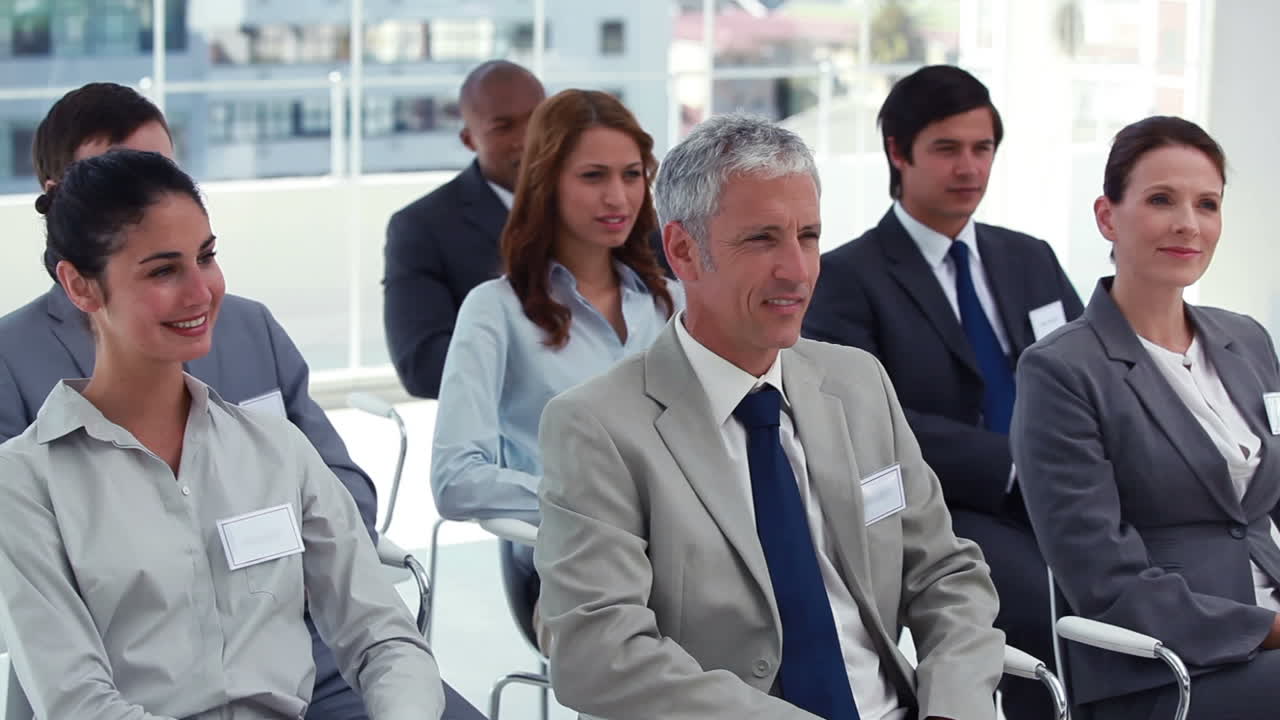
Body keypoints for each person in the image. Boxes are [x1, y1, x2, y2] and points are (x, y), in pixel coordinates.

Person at [0, 82, 483, 720]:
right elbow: (77, 701)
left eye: (207, 257)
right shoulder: (26, 479)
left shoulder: (273, 447)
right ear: (80, 286)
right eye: (163, 270)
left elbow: (386, 638)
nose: (201, 293)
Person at [533, 113, 1003, 720]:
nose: (797, 270)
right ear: (683, 251)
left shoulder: (857, 384)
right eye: (762, 239)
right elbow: (598, 654)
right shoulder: (597, 426)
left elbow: (945, 574)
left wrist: (954, 708)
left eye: (808, 236)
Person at [802, 65, 1081, 718]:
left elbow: (1083, 372)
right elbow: (866, 422)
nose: (970, 168)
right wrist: (1012, 466)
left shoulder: (1029, 257)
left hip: (1065, 488)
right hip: (948, 504)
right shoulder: (847, 277)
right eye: (947, 149)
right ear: (899, 153)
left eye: (982, 149)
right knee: (1040, 599)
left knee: (1160, 576)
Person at [1012, 115, 1280, 719]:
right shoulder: (1061, 370)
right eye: (1162, 200)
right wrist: (1269, 628)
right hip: (1162, 670)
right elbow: (1104, 580)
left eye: (1207, 204)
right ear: (1107, 216)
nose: (1189, 223)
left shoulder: (1248, 342)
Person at [430, 89, 682, 625]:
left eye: (632, 175)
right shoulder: (495, 310)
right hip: (569, 563)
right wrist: (588, 502)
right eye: (593, 176)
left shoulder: (672, 302)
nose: (618, 197)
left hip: (685, 550)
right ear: (547, 183)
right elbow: (455, 479)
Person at [383, 60, 546, 399]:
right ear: (469, 139)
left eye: (539, 119)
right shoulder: (422, 227)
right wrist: (562, 359)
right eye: (504, 127)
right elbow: (422, 366)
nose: (527, 140)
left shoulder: (611, 205)